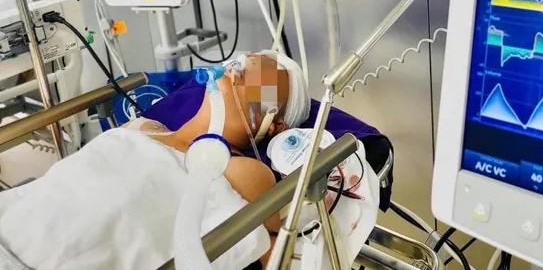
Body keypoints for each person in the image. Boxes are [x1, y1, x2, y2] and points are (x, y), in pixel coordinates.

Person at [0, 51, 311, 270]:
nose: (238, 69)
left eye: (261, 77)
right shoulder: (143, 126)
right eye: (243, 62)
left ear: (274, 123)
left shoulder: (244, 171)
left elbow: (275, 259)